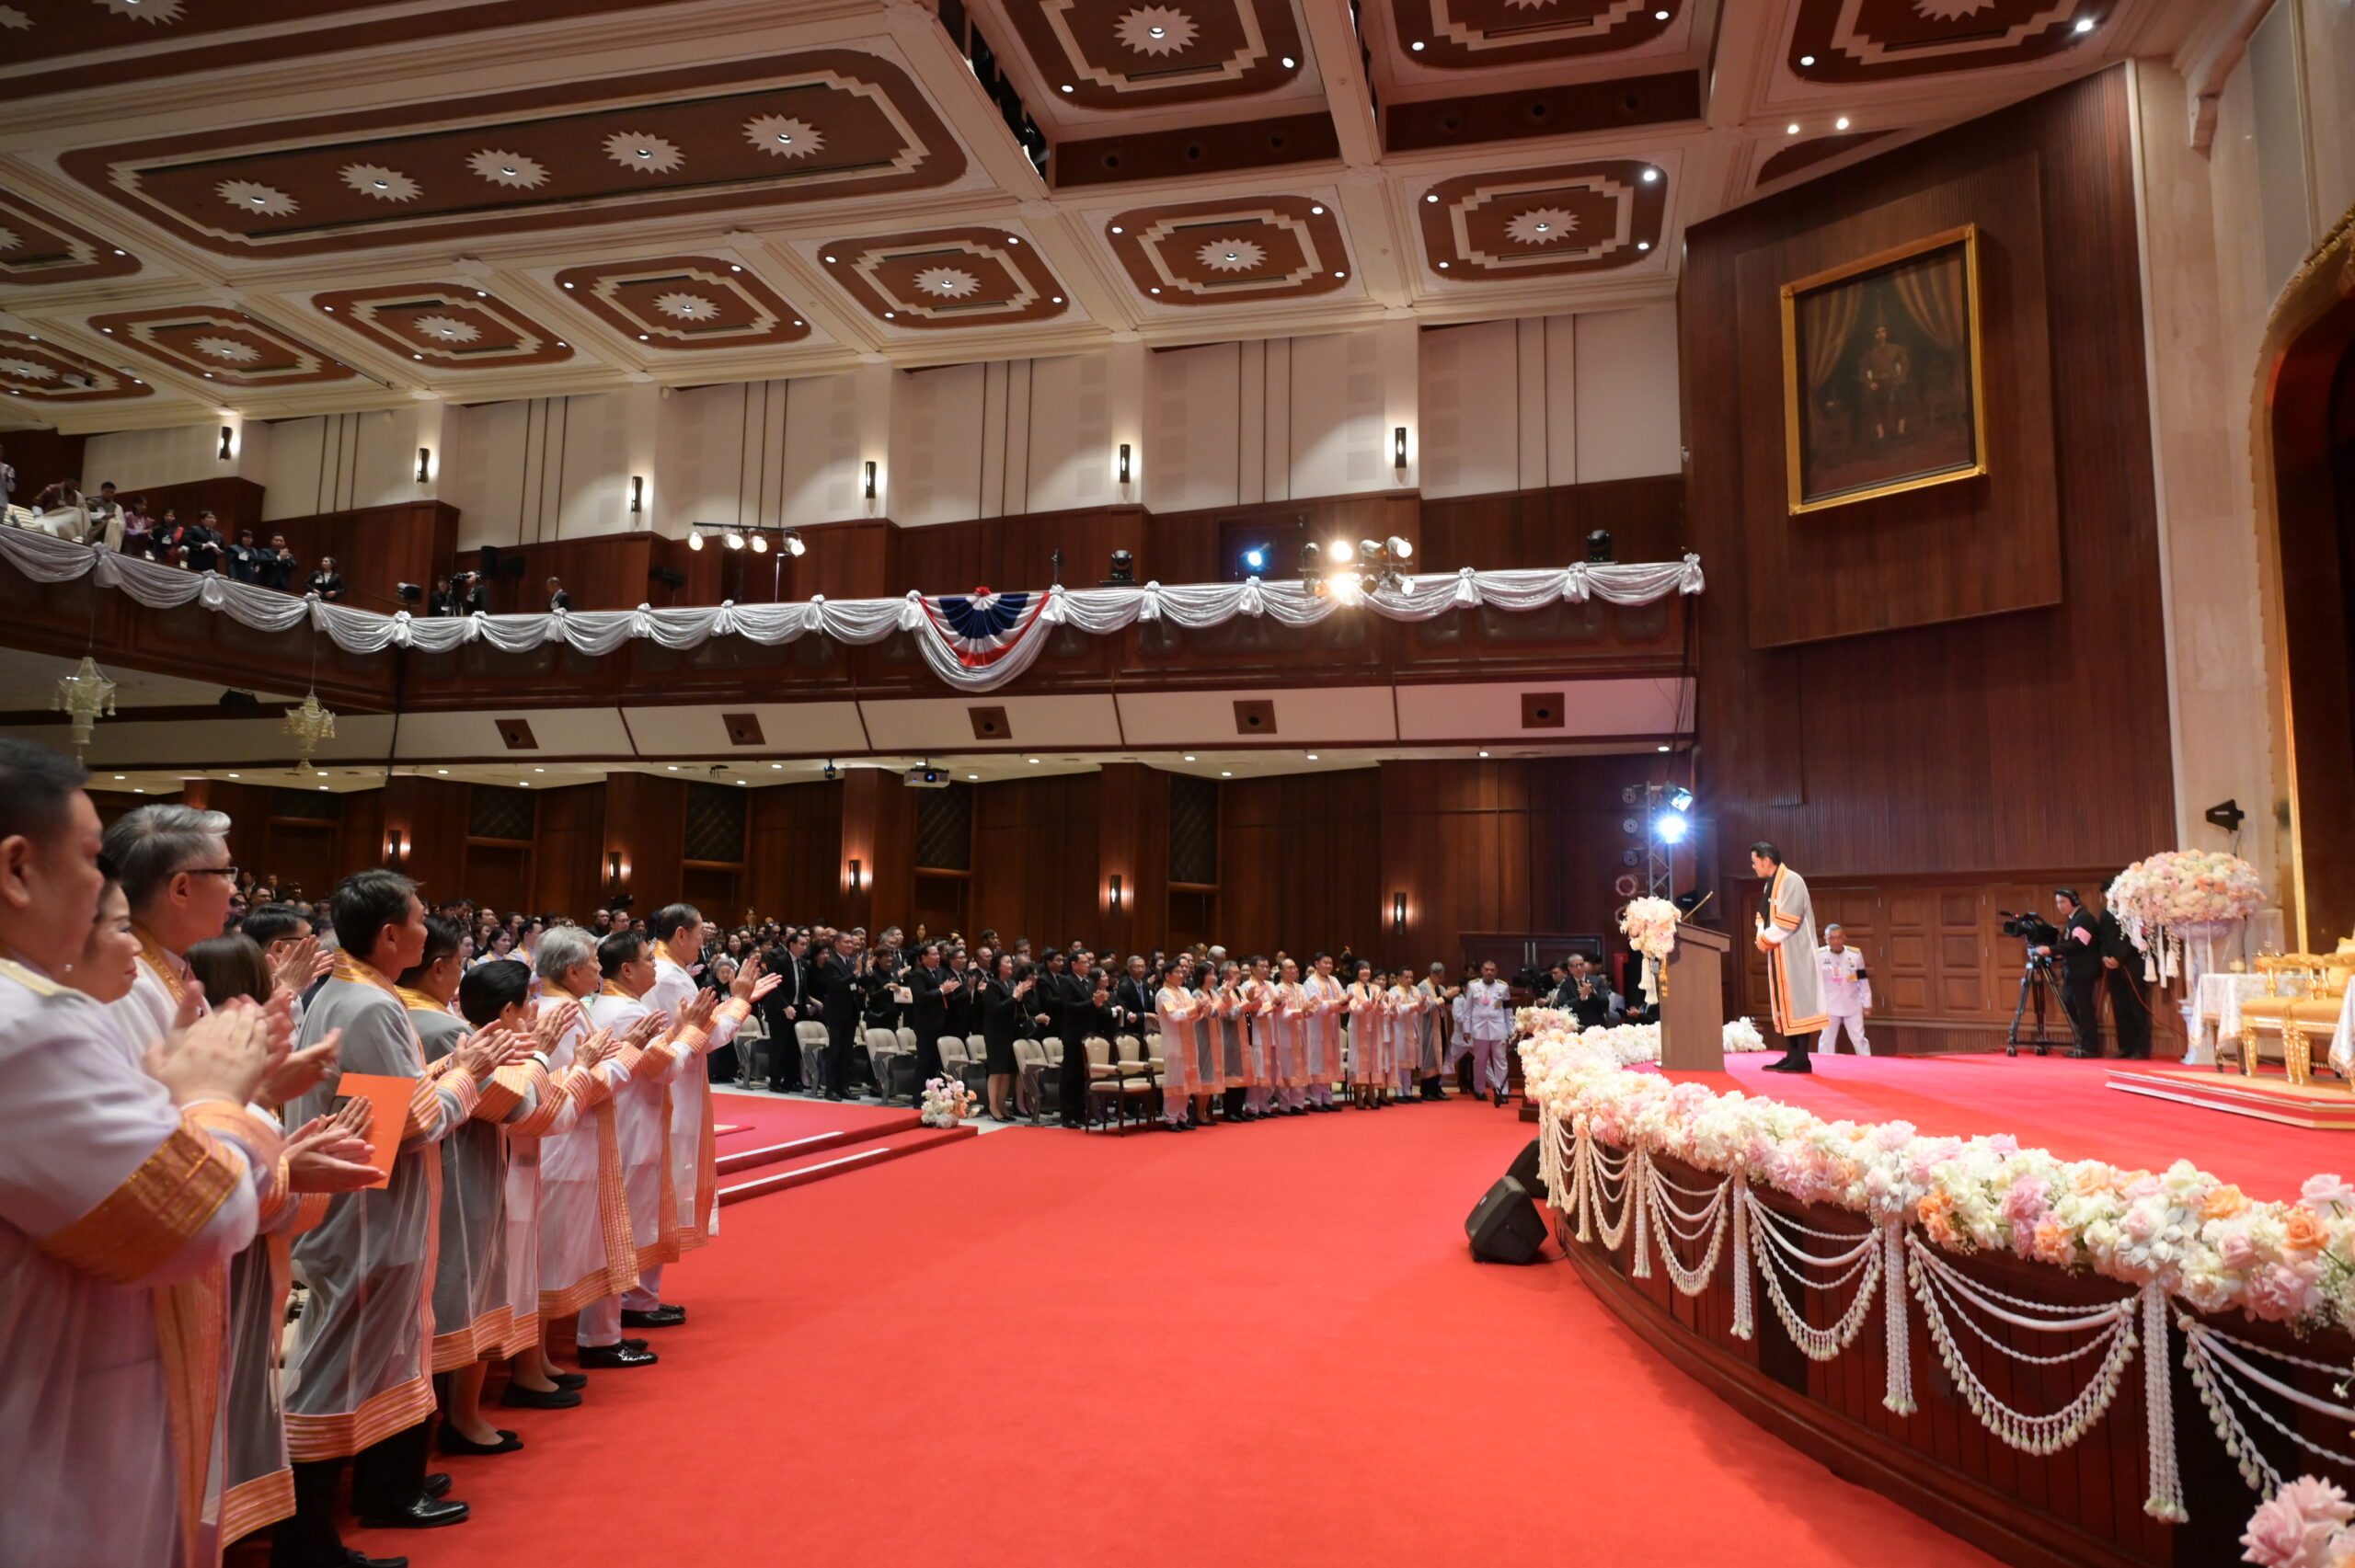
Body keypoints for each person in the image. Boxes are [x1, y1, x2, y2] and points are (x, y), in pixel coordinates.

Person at [0, 738, 293, 1568]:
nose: (106, 885)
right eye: (93, 858)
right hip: (51, 1437)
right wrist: (215, 1097)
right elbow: (198, 1214)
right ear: (18, 868)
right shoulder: (26, 1024)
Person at [278, 870, 507, 1563]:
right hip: (367, 1218)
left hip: (371, 1208)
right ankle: (307, 1539)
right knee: (335, 1370)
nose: (424, 926)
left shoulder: (354, 992)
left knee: (378, 1360)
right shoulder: (369, 1005)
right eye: (417, 917)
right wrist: (467, 1074)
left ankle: (382, 1490)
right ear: (387, 935)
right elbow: (397, 1126)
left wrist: (447, 1073)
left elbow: (387, 1105)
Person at [396, 926, 547, 1459]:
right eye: (457, 963)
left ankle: (444, 1422)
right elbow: (517, 1105)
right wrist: (541, 1059)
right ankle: (459, 1418)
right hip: (456, 1171)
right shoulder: (439, 1027)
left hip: (436, 1167)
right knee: (466, 1287)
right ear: (438, 966)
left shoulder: (398, 1010)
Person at [644, 904, 766, 1306]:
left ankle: (642, 1295)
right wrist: (740, 1002)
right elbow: (705, 1035)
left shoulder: (666, 970)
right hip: (669, 1088)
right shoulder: (667, 975)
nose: (703, 944)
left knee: (659, 1191)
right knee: (659, 1192)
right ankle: (639, 1298)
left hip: (669, 1082)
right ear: (680, 934)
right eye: (700, 936)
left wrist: (737, 1002)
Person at [1752, 841, 1829, 1074]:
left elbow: (1788, 921)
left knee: (1798, 1003)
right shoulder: (1771, 884)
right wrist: (1761, 938)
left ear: (1766, 861)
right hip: (1779, 952)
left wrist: (1763, 941)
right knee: (1786, 1005)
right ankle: (1792, 1054)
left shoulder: (1792, 880)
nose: (1753, 866)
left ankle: (1802, 1058)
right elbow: (1762, 917)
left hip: (1796, 952)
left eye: (1755, 862)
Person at [2036, 887, 2106, 1059]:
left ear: (2074, 901)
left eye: (2063, 902)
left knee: (2083, 1008)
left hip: (2083, 971)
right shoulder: (2073, 920)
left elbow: (2079, 944)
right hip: (2073, 971)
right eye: (2058, 902)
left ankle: (2090, 1046)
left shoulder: (2084, 919)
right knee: (2069, 1003)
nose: (2060, 906)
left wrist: (2050, 950)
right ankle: (2082, 1042)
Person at [2098, 880, 2152, 1060]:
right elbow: (2102, 938)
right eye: (2106, 893)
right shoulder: (2105, 914)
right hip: (2112, 967)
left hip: (2132, 965)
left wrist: (2119, 958)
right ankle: (2125, 1047)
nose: (2109, 897)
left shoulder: (2134, 912)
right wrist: (2105, 956)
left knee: (2136, 1007)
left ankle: (2140, 1049)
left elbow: (2137, 939)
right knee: (2120, 1008)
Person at [978, 952, 1028, 1122]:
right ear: (998, 966)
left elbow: (1013, 1008)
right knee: (996, 1069)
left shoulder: (1012, 983)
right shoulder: (993, 985)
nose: (1011, 964)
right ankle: (993, 1106)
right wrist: (1014, 997)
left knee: (1007, 1071)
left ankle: (1002, 1105)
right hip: (995, 1032)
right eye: (1007, 962)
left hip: (1010, 1031)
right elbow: (996, 1009)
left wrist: (1019, 998)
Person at [814, 930, 862, 1101]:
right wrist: (855, 974)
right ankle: (831, 1089)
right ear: (836, 944)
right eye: (847, 942)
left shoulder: (850, 962)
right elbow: (838, 985)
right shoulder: (831, 963)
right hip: (836, 1013)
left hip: (850, 1012)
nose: (851, 945)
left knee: (847, 1053)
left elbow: (852, 985)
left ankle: (844, 1087)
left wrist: (861, 978)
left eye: (852, 942)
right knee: (835, 1052)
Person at [1459, 958, 1513, 1103]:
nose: (1489, 972)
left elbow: (1508, 1010)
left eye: (1492, 970)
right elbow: (1467, 1009)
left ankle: (1502, 1091)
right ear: (1482, 970)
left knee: (1500, 1060)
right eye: (1486, 969)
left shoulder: (1503, 987)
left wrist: (1510, 1030)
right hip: (1479, 1028)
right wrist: (1466, 1029)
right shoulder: (1473, 986)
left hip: (1498, 1027)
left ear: (1496, 971)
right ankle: (1479, 1089)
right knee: (1480, 1061)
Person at [1816, 924, 1872, 1056]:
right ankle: (1824, 1066)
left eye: (1839, 938)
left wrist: (1867, 1004)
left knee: (1859, 1038)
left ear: (1844, 938)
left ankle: (1868, 1063)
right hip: (1829, 1004)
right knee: (1827, 1039)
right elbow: (1814, 982)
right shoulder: (1819, 955)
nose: (1836, 941)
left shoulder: (1855, 954)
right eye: (1832, 938)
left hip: (1852, 1002)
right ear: (1826, 939)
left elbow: (1862, 979)